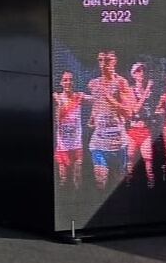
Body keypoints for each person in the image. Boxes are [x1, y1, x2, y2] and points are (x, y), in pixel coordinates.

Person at [86, 51, 132, 190]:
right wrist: (92, 118)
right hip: (99, 143)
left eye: (107, 60)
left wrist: (111, 100)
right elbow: (96, 104)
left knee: (119, 185)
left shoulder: (121, 83)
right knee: (101, 182)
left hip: (119, 143)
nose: (103, 64)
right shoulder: (93, 84)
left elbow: (128, 112)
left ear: (114, 61)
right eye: (100, 60)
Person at [126, 63, 155, 187]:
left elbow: (151, 110)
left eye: (143, 70)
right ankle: (127, 184)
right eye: (138, 71)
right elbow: (136, 109)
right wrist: (147, 89)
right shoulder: (131, 90)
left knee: (148, 160)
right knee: (130, 160)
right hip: (133, 130)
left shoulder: (149, 92)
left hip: (145, 130)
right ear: (133, 74)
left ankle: (151, 184)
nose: (141, 73)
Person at [53, 72, 83, 189]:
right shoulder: (57, 98)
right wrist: (60, 102)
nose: (68, 82)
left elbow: (95, 98)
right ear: (61, 82)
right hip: (63, 146)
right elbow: (57, 119)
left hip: (76, 145)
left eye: (70, 79)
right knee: (63, 180)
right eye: (65, 80)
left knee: (77, 179)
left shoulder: (78, 96)